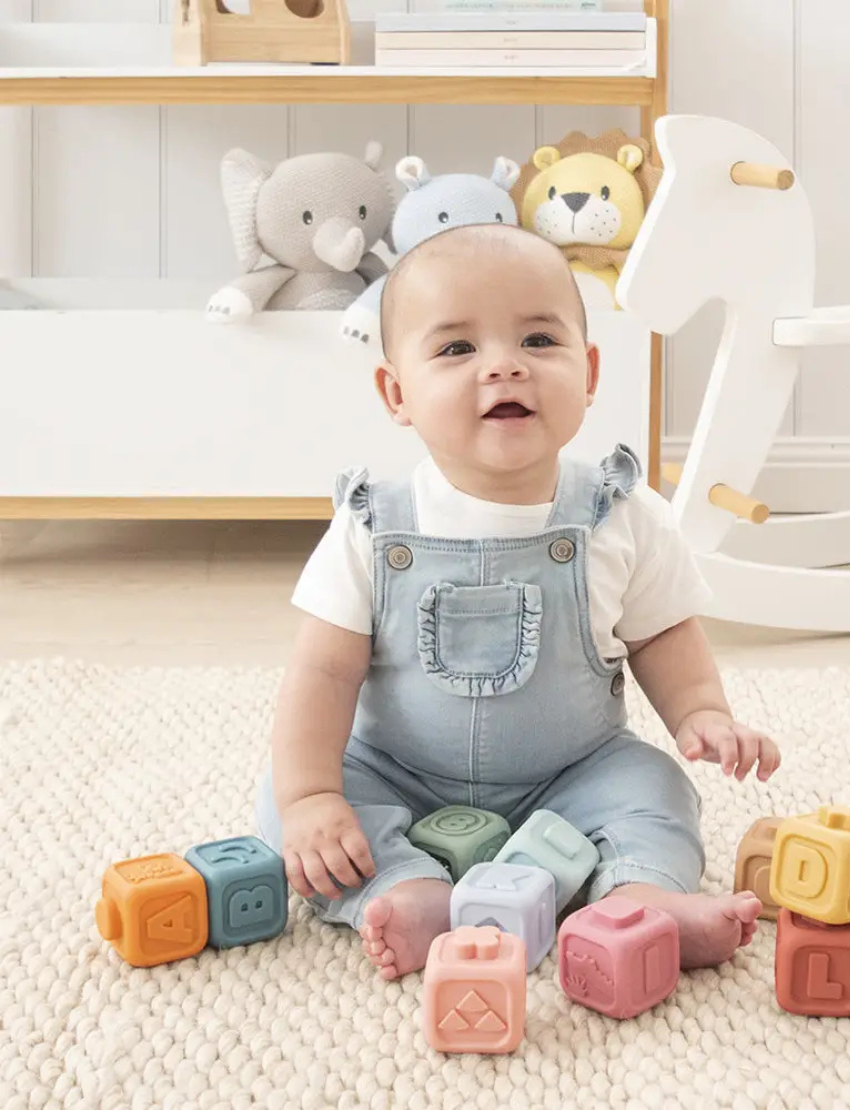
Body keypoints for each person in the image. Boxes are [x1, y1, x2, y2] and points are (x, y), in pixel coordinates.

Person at [254, 223, 780, 981]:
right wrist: (311, 796)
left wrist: (703, 713)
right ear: (396, 393)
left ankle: (635, 899)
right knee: (286, 804)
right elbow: (322, 675)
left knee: (656, 788)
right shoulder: (372, 526)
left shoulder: (619, 515)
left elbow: (663, 635)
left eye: (538, 340)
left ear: (590, 372)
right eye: (456, 349)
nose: (503, 366)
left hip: (571, 772)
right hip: (399, 769)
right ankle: (409, 887)